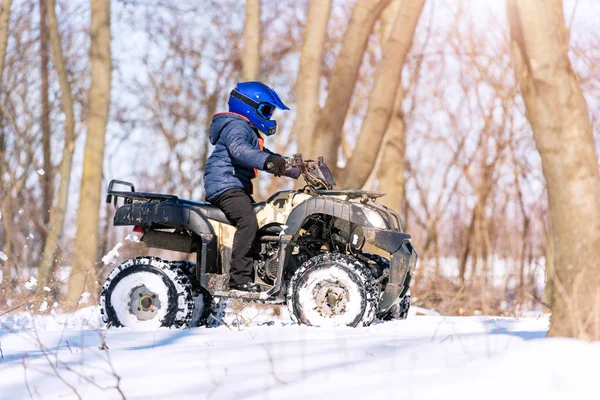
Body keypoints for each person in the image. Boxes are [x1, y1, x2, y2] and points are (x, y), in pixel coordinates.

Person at [203, 81, 299, 293]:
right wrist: (271, 162)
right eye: (266, 110)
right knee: (248, 221)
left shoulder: (247, 129)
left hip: (234, 185)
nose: (268, 116)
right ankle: (238, 279)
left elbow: (267, 156)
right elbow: (241, 151)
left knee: (264, 219)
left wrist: (294, 168)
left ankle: (262, 272)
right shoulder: (236, 126)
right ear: (247, 106)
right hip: (224, 185)